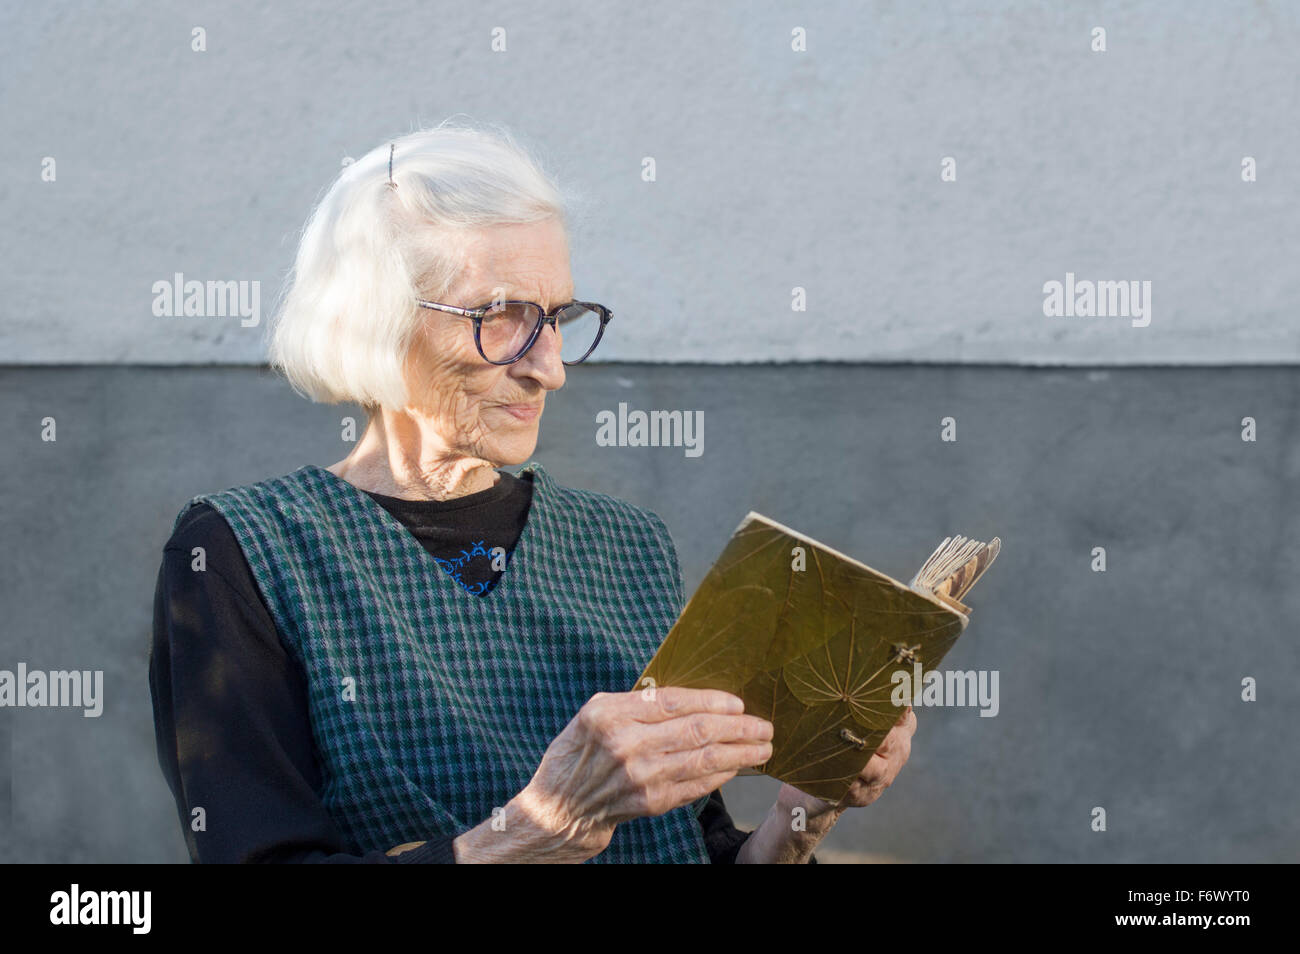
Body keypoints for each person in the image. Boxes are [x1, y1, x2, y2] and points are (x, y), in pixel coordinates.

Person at [148, 120, 917, 863]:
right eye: (503, 317)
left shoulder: (626, 546)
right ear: (376, 323)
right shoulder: (244, 555)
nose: (549, 368)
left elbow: (689, 843)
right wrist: (539, 829)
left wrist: (798, 816)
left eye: (557, 318)